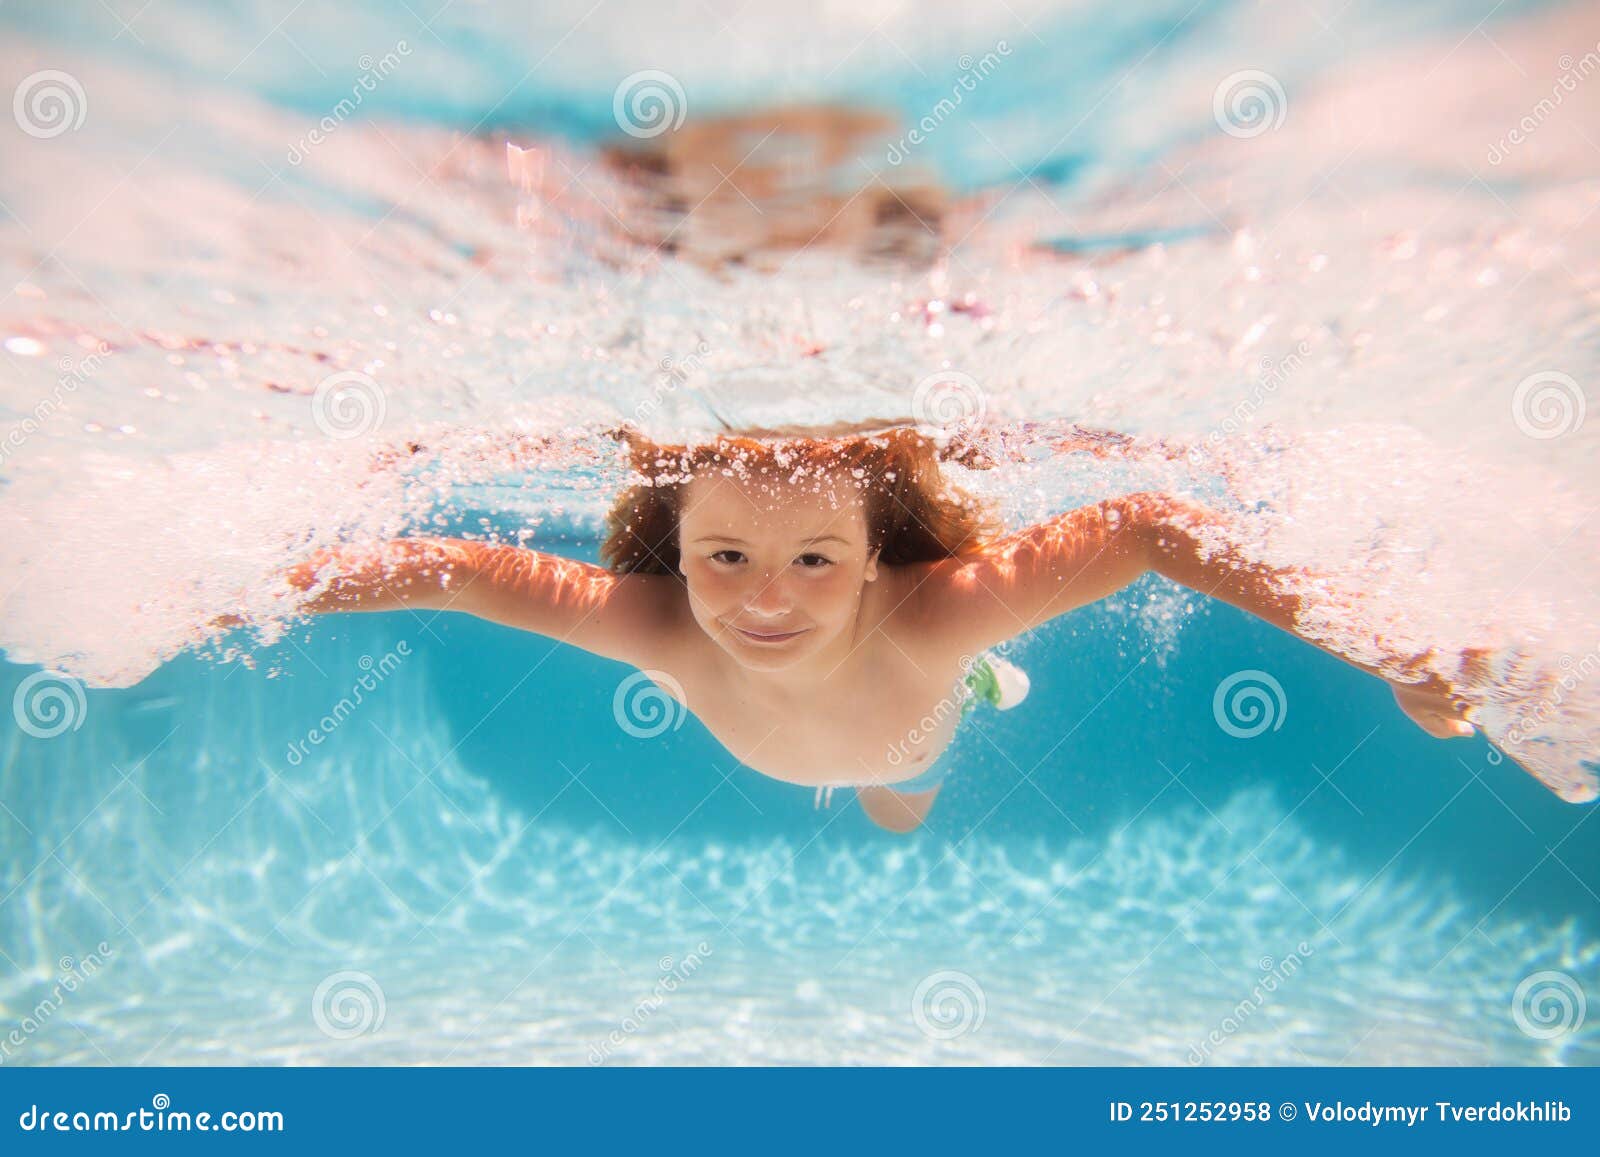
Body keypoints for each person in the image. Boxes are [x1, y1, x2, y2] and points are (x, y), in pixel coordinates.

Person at [237, 425, 1479, 833]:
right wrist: (258, 581)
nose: (763, 600)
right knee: (874, 776)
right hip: (825, 730)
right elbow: (454, 569)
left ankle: (988, 692)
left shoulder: (928, 613)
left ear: (878, 559)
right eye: (722, 556)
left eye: (816, 560)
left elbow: (1152, 527)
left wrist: (1386, 648)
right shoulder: (662, 626)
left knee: (904, 785)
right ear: (672, 551)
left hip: (918, 713)